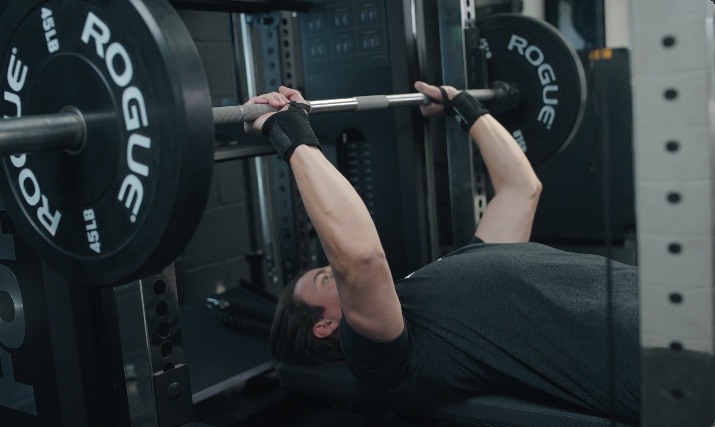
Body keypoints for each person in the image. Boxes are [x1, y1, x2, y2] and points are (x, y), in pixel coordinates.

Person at [244, 82, 640, 423]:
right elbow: (359, 258)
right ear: (324, 326)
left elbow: (521, 188)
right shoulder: (381, 358)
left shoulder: (444, 274)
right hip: (641, 353)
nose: (332, 267)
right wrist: (287, 129)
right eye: (324, 278)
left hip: (655, 299)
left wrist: (461, 104)